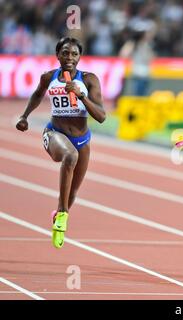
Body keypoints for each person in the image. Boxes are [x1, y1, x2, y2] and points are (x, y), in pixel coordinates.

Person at [16, 37, 106, 248]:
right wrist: (24, 116)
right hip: (55, 133)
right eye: (65, 53)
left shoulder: (89, 79)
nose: (69, 58)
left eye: (74, 54)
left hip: (82, 139)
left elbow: (101, 116)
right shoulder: (49, 77)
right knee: (69, 155)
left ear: (79, 57)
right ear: (58, 55)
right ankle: (63, 216)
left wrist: (81, 96)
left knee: (73, 192)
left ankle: (59, 214)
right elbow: (37, 95)